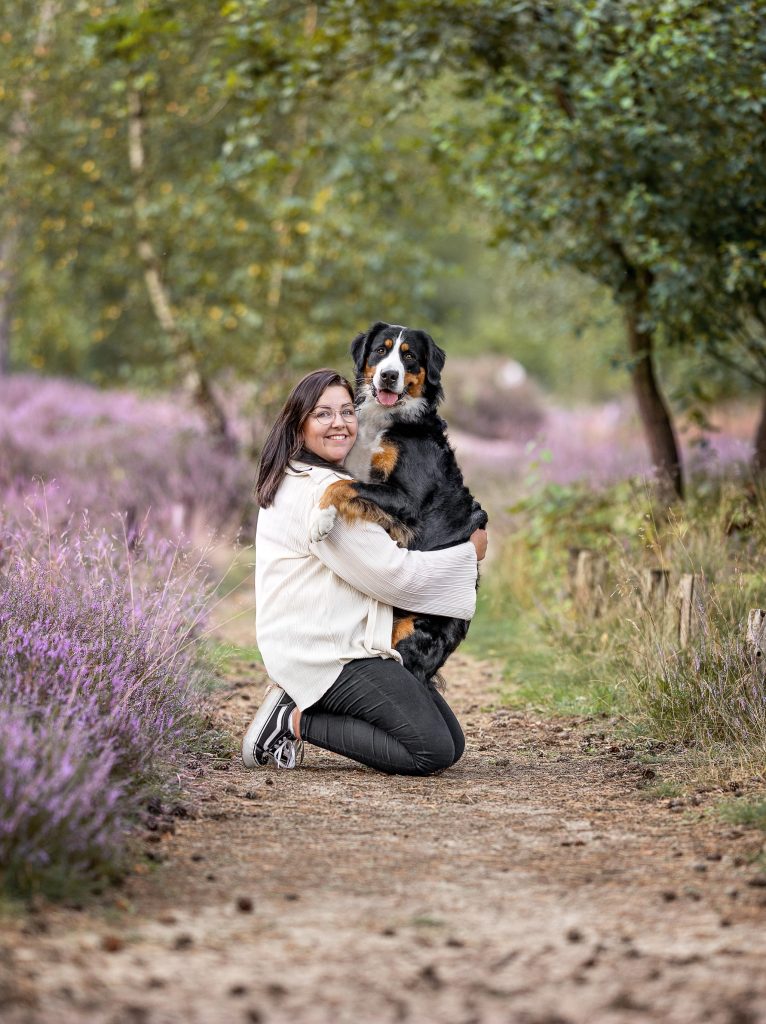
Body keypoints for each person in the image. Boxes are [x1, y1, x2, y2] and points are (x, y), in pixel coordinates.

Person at [242, 368, 488, 776]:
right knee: (432, 751)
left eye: (346, 411)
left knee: (451, 740)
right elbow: (396, 578)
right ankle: (291, 719)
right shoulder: (321, 497)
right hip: (329, 652)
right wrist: (468, 552)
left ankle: (298, 704)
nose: (339, 423)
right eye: (323, 415)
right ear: (298, 424)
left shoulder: (304, 477)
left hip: (322, 638)